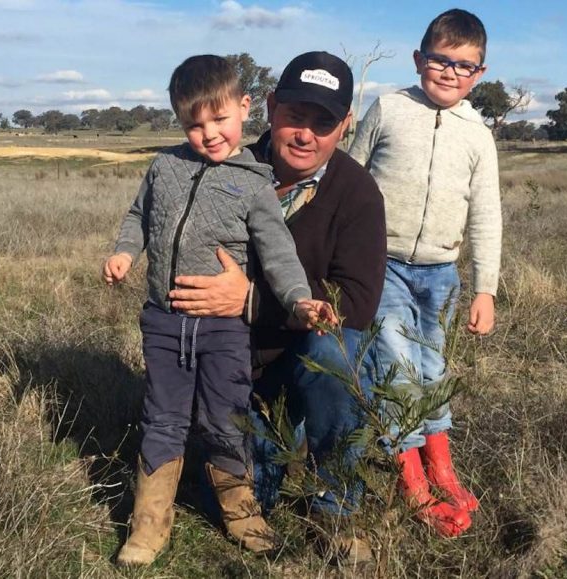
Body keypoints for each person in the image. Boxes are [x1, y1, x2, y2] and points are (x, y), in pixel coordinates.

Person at [104, 54, 335, 567]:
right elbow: (139, 217)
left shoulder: (255, 183)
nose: (209, 134)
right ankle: (148, 526)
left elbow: (277, 253)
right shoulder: (164, 167)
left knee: (225, 419)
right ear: (180, 122)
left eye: (219, 120)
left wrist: (299, 300)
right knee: (161, 417)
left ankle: (243, 514)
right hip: (163, 323)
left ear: (244, 107)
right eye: (194, 124)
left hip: (225, 330)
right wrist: (124, 252)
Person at [168, 51, 387, 564]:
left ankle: (337, 506)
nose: (305, 134)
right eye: (295, 116)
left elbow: (354, 303)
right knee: (231, 504)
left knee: (338, 355)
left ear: (346, 125)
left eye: (323, 122)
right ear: (269, 107)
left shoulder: (357, 194)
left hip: (306, 355)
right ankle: (266, 438)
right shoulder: (224, 167)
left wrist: (249, 300)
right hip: (236, 361)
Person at [348, 8, 501, 537]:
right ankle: (411, 479)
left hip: (441, 274)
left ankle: (442, 465)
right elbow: (350, 177)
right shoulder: (388, 110)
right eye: (441, 61)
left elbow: (486, 213)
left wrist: (485, 288)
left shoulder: (478, 133)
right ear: (419, 60)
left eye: (465, 66)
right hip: (380, 265)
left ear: (479, 73)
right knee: (395, 367)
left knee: (432, 371)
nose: (451, 73)